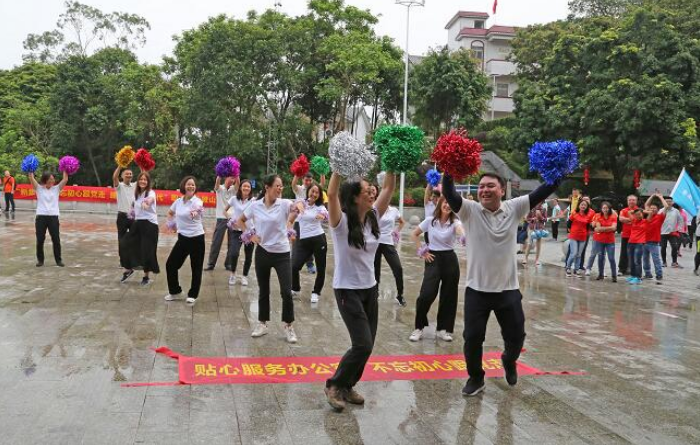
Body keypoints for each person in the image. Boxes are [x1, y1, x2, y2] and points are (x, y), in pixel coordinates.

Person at [442, 172, 558, 396]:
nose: (484, 190)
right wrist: (449, 169)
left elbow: (542, 191)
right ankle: (476, 377)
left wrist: (558, 172)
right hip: (477, 290)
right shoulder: (470, 210)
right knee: (472, 338)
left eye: (490, 186)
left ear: (502, 190)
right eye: (481, 186)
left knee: (517, 336)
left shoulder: (515, 207)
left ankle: (508, 359)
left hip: (508, 289)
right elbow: (450, 193)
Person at [323, 170, 395, 411]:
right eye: (366, 190)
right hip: (347, 290)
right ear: (354, 197)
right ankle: (334, 384)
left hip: (369, 289)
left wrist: (393, 166)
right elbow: (332, 193)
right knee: (362, 344)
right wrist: (338, 170)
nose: (372, 191)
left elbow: (388, 189)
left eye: (371, 189)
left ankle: (347, 385)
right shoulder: (340, 222)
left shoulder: (373, 217)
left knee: (368, 345)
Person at [238, 174, 300, 343]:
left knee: (286, 292)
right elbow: (241, 220)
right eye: (277, 186)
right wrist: (250, 236)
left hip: (282, 254)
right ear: (267, 187)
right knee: (263, 289)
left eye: (281, 186)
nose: (280, 189)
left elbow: (297, 206)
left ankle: (288, 326)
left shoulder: (285, 203)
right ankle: (262, 323)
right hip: (263, 253)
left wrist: (298, 207)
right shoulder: (255, 206)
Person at [409, 197, 463, 342]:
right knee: (426, 294)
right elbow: (414, 234)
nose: (447, 205)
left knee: (449, 296)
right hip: (433, 259)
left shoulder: (455, 222)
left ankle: (443, 329)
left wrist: (463, 235)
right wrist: (423, 251)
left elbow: (460, 231)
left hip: (450, 260)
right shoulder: (430, 221)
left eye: (450, 203)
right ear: (440, 204)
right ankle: (418, 327)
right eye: (445, 202)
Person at [164, 176, 206, 305]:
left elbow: (198, 208)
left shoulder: (197, 201)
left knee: (196, 267)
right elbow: (170, 213)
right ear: (183, 186)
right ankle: (175, 291)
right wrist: (172, 225)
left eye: (193, 185)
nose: (191, 187)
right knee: (170, 264)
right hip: (182, 238)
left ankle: (193, 294)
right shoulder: (178, 202)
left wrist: (195, 212)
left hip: (197, 238)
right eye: (188, 184)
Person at [120, 172, 160, 286]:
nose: (143, 181)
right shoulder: (136, 193)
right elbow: (133, 208)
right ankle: (129, 269)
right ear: (138, 181)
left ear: (148, 182)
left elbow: (149, 200)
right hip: (138, 224)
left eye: (145, 180)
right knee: (125, 243)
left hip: (150, 225)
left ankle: (146, 276)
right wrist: (131, 214)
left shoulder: (151, 193)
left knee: (146, 250)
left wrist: (146, 204)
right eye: (141, 179)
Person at [291, 182, 328, 303]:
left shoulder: (321, 206)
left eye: (317, 192)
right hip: (304, 241)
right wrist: (300, 205)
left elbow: (324, 215)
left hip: (319, 239)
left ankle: (316, 292)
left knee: (321, 268)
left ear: (319, 195)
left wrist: (323, 216)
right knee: (294, 266)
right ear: (308, 191)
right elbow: (296, 205)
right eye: (312, 191)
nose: (314, 194)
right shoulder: (301, 202)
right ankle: (295, 289)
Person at [372, 184, 406, 307]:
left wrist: (396, 231)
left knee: (398, 268)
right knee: (375, 271)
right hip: (375, 243)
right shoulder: (374, 208)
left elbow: (402, 222)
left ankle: (400, 295)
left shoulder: (394, 210)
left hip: (388, 243)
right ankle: (374, 294)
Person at [28, 171, 68, 267]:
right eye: (50, 179)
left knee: (56, 239)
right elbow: (31, 178)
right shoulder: (39, 188)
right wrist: (30, 170)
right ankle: (40, 260)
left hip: (53, 217)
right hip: (41, 217)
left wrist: (65, 169)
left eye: (53, 179)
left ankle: (58, 260)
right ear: (45, 179)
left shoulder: (56, 189)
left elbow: (65, 179)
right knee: (40, 239)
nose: (52, 180)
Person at [291, 172, 326, 274]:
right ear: (303, 180)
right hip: (299, 221)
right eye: (306, 180)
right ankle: (293, 262)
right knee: (296, 243)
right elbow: (293, 184)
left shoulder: (313, 190)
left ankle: (310, 264)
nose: (308, 182)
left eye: (310, 180)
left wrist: (322, 170)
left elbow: (322, 184)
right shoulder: (299, 189)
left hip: (311, 221)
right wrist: (297, 171)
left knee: (309, 242)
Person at [225, 180, 255, 287]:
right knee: (233, 253)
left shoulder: (253, 201)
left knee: (248, 256)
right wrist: (230, 218)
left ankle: (244, 276)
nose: (246, 188)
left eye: (248, 186)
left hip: (249, 231)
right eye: (244, 186)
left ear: (251, 189)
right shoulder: (234, 199)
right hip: (235, 231)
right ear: (240, 187)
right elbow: (225, 210)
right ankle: (233, 274)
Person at [205, 176, 237, 271]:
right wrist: (219, 174)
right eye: (231, 178)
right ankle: (211, 264)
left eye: (234, 178)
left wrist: (236, 174)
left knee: (232, 242)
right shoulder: (220, 188)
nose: (232, 180)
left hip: (232, 218)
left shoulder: (233, 189)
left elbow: (238, 184)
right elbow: (217, 183)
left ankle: (229, 264)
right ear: (226, 178)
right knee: (216, 242)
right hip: (221, 218)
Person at [113, 166, 136, 282]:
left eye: (130, 174)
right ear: (122, 176)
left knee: (133, 240)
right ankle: (123, 262)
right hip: (122, 216)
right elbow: (114, 177)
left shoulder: (135, 186)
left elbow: (144, 176)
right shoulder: (119, 186)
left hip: (133, 216)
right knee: (121, 240)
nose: (129, 175)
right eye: (126, 174)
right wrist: (120, 165)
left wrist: (142, 165)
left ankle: (133, 262)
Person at [587, 201, 617, 282]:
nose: (605, 209)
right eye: (604, 208)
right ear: (601, 209)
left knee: (611, 258)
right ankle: (601, 274)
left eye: (607, 208)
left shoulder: (613, 216)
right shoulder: (597, 215)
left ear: (609, 208)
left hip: (610, 241)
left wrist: (602, 229)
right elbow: (597, 227)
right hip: (599, 240)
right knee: (600, 257)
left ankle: (614, 275)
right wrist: (608, 228)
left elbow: (614, 228)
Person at [642, 193, 669, 284]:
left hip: (654, 242)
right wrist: (652, 196)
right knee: (645, 259)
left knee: (656, 259)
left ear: (657, 210)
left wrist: (661, 197)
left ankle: (659, 274)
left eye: (654, 208)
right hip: (644, 241)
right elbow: (646, 204)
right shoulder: (646, 216)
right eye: (651, 208)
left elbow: (666, 207)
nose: (652, 209)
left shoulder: (660, 217)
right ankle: (647, 274)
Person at [566, 200, 594, 277]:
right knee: (573, 253)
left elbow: (589, 226)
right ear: (579, 205)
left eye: (585, 205)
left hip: (583, 237)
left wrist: (590, 231)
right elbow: (568, 223)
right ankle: (568, 267)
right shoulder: (574, 213)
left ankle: (576, 269)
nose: (583, 206)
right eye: (582, 205)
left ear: (587, 207)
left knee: (579, 254)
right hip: (574, 236)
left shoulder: (588, 215)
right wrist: (570, 231)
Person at [618, 195, 639, 275]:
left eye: (633, 200)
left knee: (635, 253)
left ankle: (632, 269)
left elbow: (639, 219)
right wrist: (632, 220)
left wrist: (628, 220)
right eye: (630, 200)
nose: (631, 201)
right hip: (626, 235)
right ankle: (621, 269)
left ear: (636, 201)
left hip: (636, 236)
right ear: (627, 201)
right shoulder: (624, 210)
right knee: (624, 252)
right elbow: (621, 219)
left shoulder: (639, 210)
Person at [660, 198, 683, 268]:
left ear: (672, 202)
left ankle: (674, 262)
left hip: (672, 233)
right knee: (663, 247)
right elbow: (657, 220)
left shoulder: (676, 211)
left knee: (675, 247)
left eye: (670, 201)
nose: (668, 203)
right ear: (664, 202)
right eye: (666, 201)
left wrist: (678, 228)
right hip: (662, 232)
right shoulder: (661, 210)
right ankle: (664, 262)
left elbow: (680, 220)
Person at [627, 208, 647, 284]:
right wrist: (637, 212)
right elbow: (629, 212)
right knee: (631, 261)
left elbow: (651, 213)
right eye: (636, 215)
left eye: (639, 214)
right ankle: (633, 275)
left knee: (637, 261)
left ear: (642, 214)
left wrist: (642, 211)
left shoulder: (646, 221)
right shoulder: (634, 220)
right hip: (631, 242)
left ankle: (638, 278)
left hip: (640, 243)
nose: (638, 216)